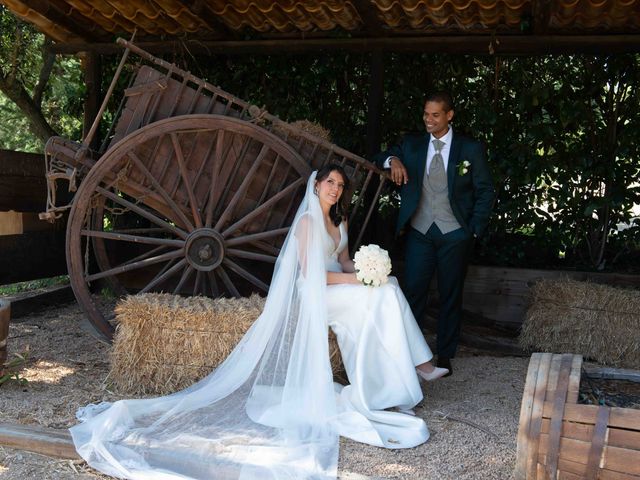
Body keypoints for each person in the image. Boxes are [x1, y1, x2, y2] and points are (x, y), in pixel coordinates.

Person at [69, 165, 447, 480]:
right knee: (376, 298)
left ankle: (407, 375)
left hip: (340, 283)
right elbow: (311, 273)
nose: (335, 189)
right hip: (318, 291)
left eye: (340, 185)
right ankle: (409, 373)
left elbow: (344, 260)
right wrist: (356, 281)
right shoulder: (307, 224)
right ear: (316, 186)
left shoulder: (339, 217)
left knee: (389, 289)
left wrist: (368, 271)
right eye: (329, 183)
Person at [374, 91, 495, 376]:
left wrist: (473, 230)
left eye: (435, 115)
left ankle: (445, 355)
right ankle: (410, 355)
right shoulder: (413, 144)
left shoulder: (469, 148)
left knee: (450, 294)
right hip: (420, 231)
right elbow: (380, 155)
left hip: (455, 234)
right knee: (414, 291)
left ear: (449, 115)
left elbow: (485, 190)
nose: (429, 120)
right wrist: (394, 160)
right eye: (426, 114)